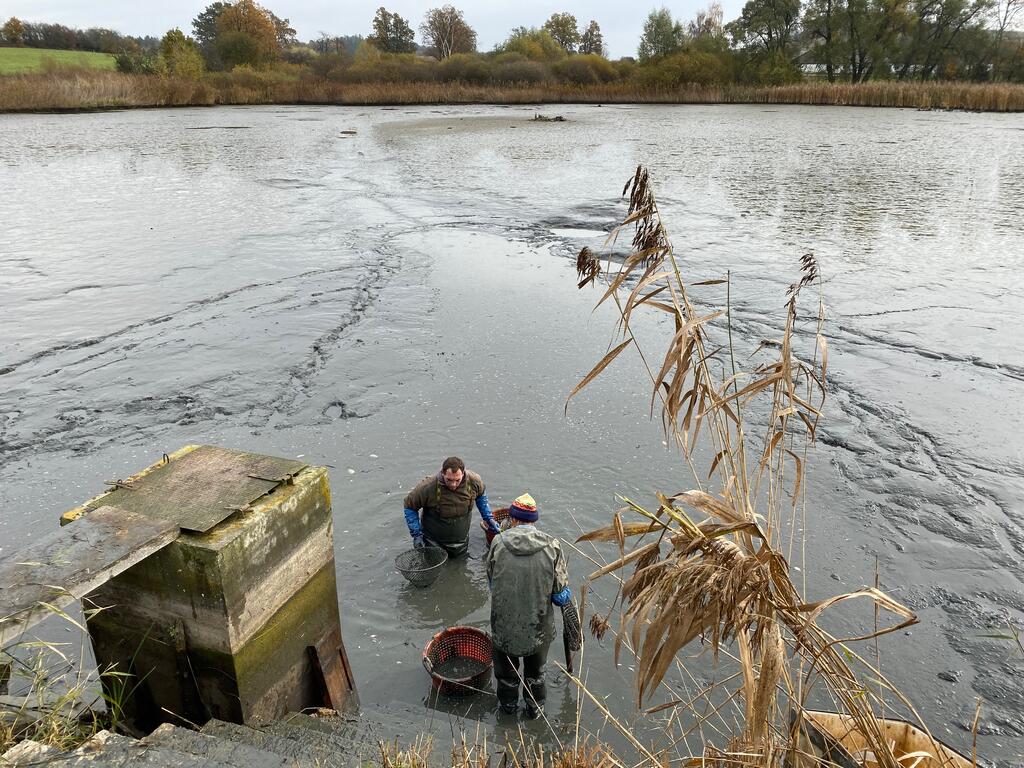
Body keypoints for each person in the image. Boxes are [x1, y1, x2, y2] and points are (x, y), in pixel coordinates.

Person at [485, 493, 571, 718]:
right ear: (534, 521)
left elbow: (492, 582)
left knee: (506, 676)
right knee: (536, 675)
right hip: (538, 630)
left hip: (504, 628)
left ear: (512, 520)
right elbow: (560, 595)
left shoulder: (497, 543)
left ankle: (508, 711)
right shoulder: (553, 545)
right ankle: (535, 711)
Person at [403, 456, 499, 557]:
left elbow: (481, 497)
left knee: (459, 566)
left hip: (461, 540)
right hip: (433, 542)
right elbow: (410, 507)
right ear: (443, 473)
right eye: (449, 480)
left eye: (457, 480)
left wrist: (488, 518)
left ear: (463, 473)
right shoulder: (428, 486)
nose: (453, 484)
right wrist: (416, 535)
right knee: (435, 568)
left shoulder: (474, 481)